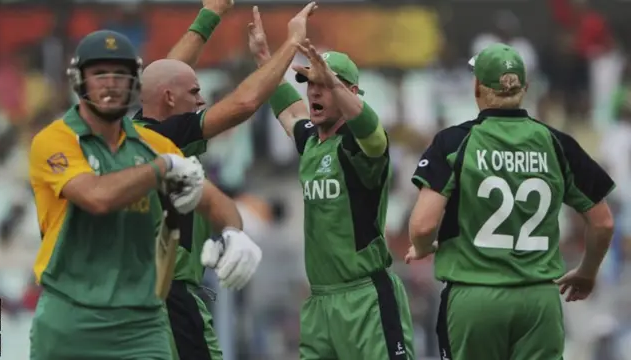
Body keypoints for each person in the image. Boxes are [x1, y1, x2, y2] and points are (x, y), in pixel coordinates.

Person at [28, 29, 261, 360]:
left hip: (141, 324)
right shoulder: (55, 141)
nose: (110, 84)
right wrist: (160, 169)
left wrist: (234, 232)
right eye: (99, 74)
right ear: (79, 81)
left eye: (120, 75)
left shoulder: (155, 147)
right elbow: (97, 198)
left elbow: (214, 201)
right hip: (70, 315)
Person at [406, 43, 616, 360]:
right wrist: (587, 272)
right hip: (539, 301)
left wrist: (422, 248)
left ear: (477, 86)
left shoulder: (453, 142)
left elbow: (423, 226)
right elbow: (603, 223)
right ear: (525, 88)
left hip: (474, 298)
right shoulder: (558, 144)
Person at [131, 3, 316, 359]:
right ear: (169, 99)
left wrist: (210, 13)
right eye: (194, 93)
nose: (201, 100)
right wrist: (290, 43)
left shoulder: (140, 131)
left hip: (140, 291)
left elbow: (168, 74)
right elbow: (245, 103)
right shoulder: (171, 137)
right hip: (172, 292)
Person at [248, 8, 415, 359]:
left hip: (365, 298)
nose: (314, 93)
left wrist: (334, 83)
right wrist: (265, 57)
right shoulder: (311, 140)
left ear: (350, 91)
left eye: (324, 85)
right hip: (320, 301)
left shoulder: (360, 146)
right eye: (310, 84)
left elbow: (376, 139)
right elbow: (288, 111)